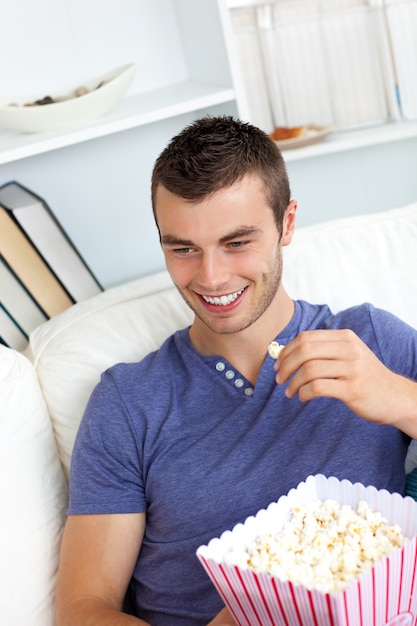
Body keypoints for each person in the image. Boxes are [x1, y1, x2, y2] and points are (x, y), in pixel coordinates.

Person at [55, 115, 417, 626]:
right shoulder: (128, 402)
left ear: (286, 224)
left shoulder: (369, 341)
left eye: (237, 242)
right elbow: (81, 610)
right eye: (183, 249)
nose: (211, 276)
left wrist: (401, 399)